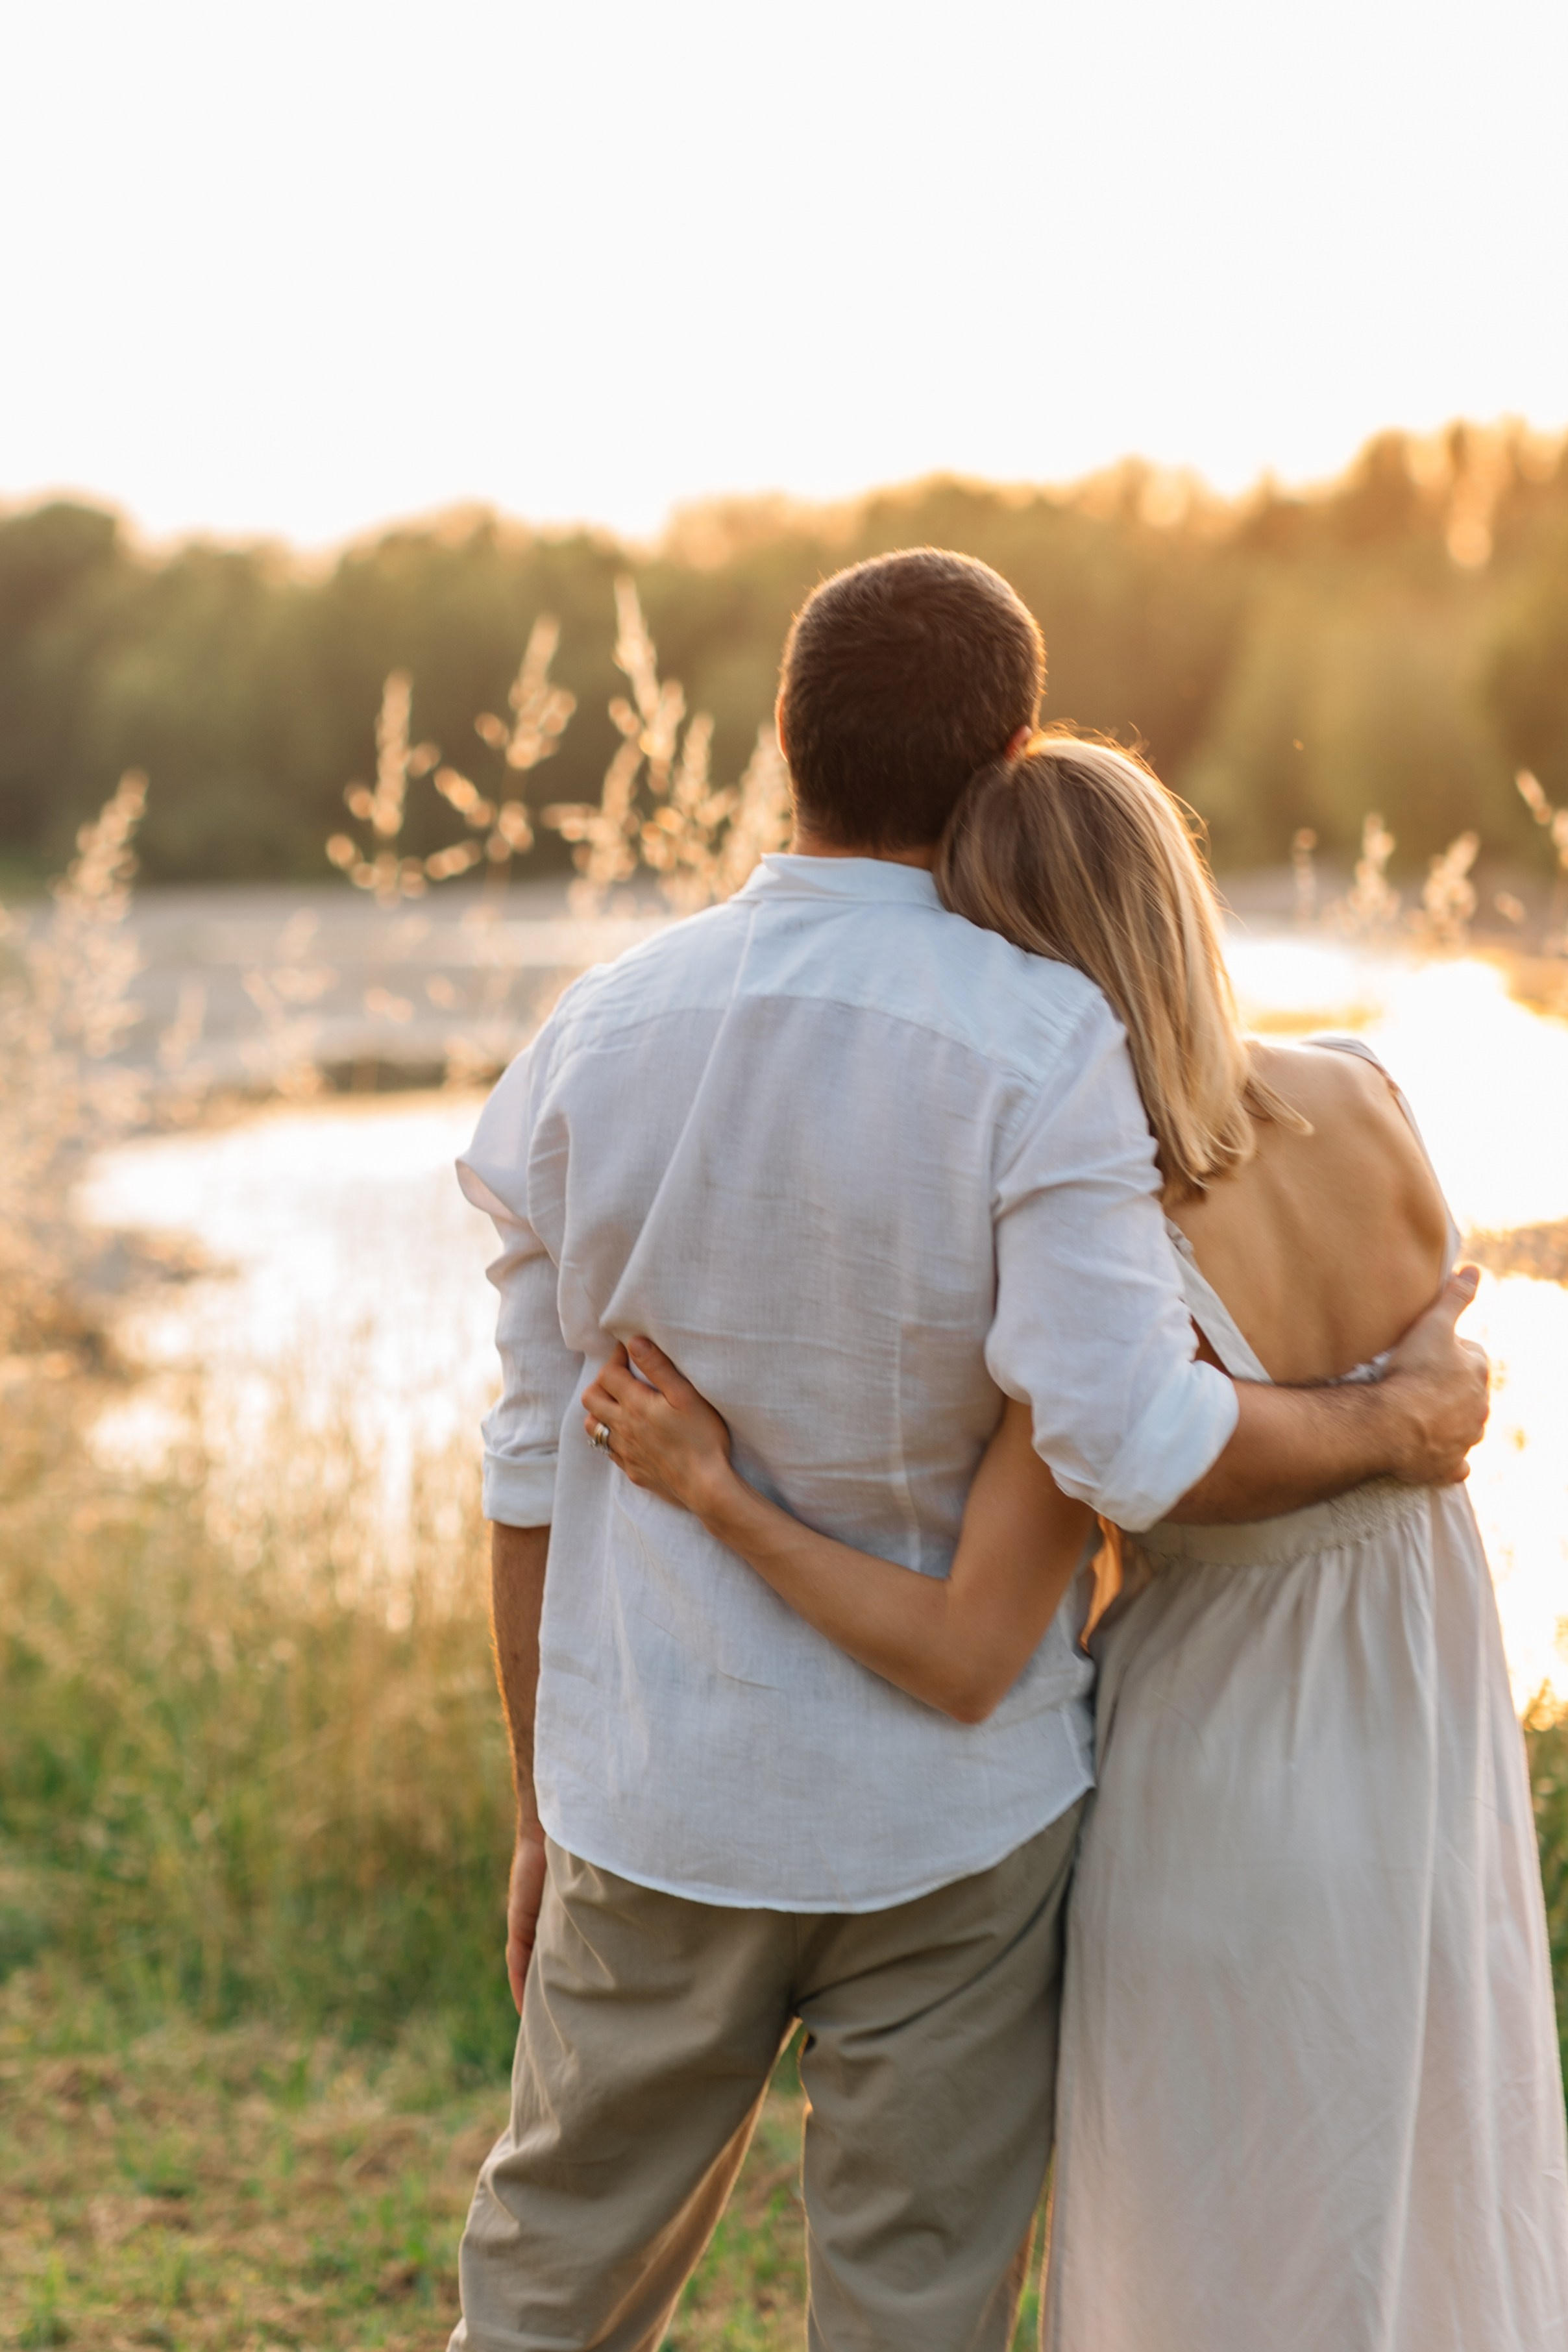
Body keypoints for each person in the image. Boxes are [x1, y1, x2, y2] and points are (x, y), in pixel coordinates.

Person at [452, 550, 1489, 2352]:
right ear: (1009, 753)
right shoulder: (1046, 1041)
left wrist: (540, 1801)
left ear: (786, 740)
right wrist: (1393, 1418)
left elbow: (532, 1463)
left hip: (661, 1797)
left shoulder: (589, 1037)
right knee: (915, 2319)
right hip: (957, 1828)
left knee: (546, 2300)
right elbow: (1130, 1433)